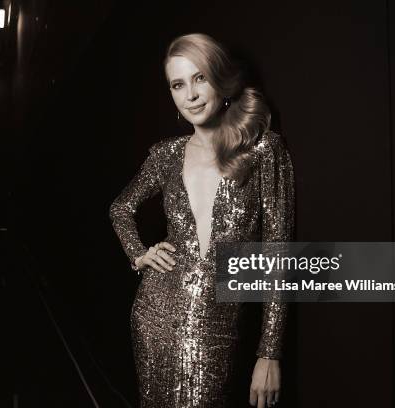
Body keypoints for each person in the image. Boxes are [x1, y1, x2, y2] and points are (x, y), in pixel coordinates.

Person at [109, 33, 295, 408]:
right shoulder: (166, 155)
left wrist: (269, 352)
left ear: (221, 81)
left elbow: (278, 253)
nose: (190, 94)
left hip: (218, 327)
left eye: (200, 78)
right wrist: (138, 254)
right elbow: (120, 208)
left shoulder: (262, 149)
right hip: (153, 315)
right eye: (178, 84)